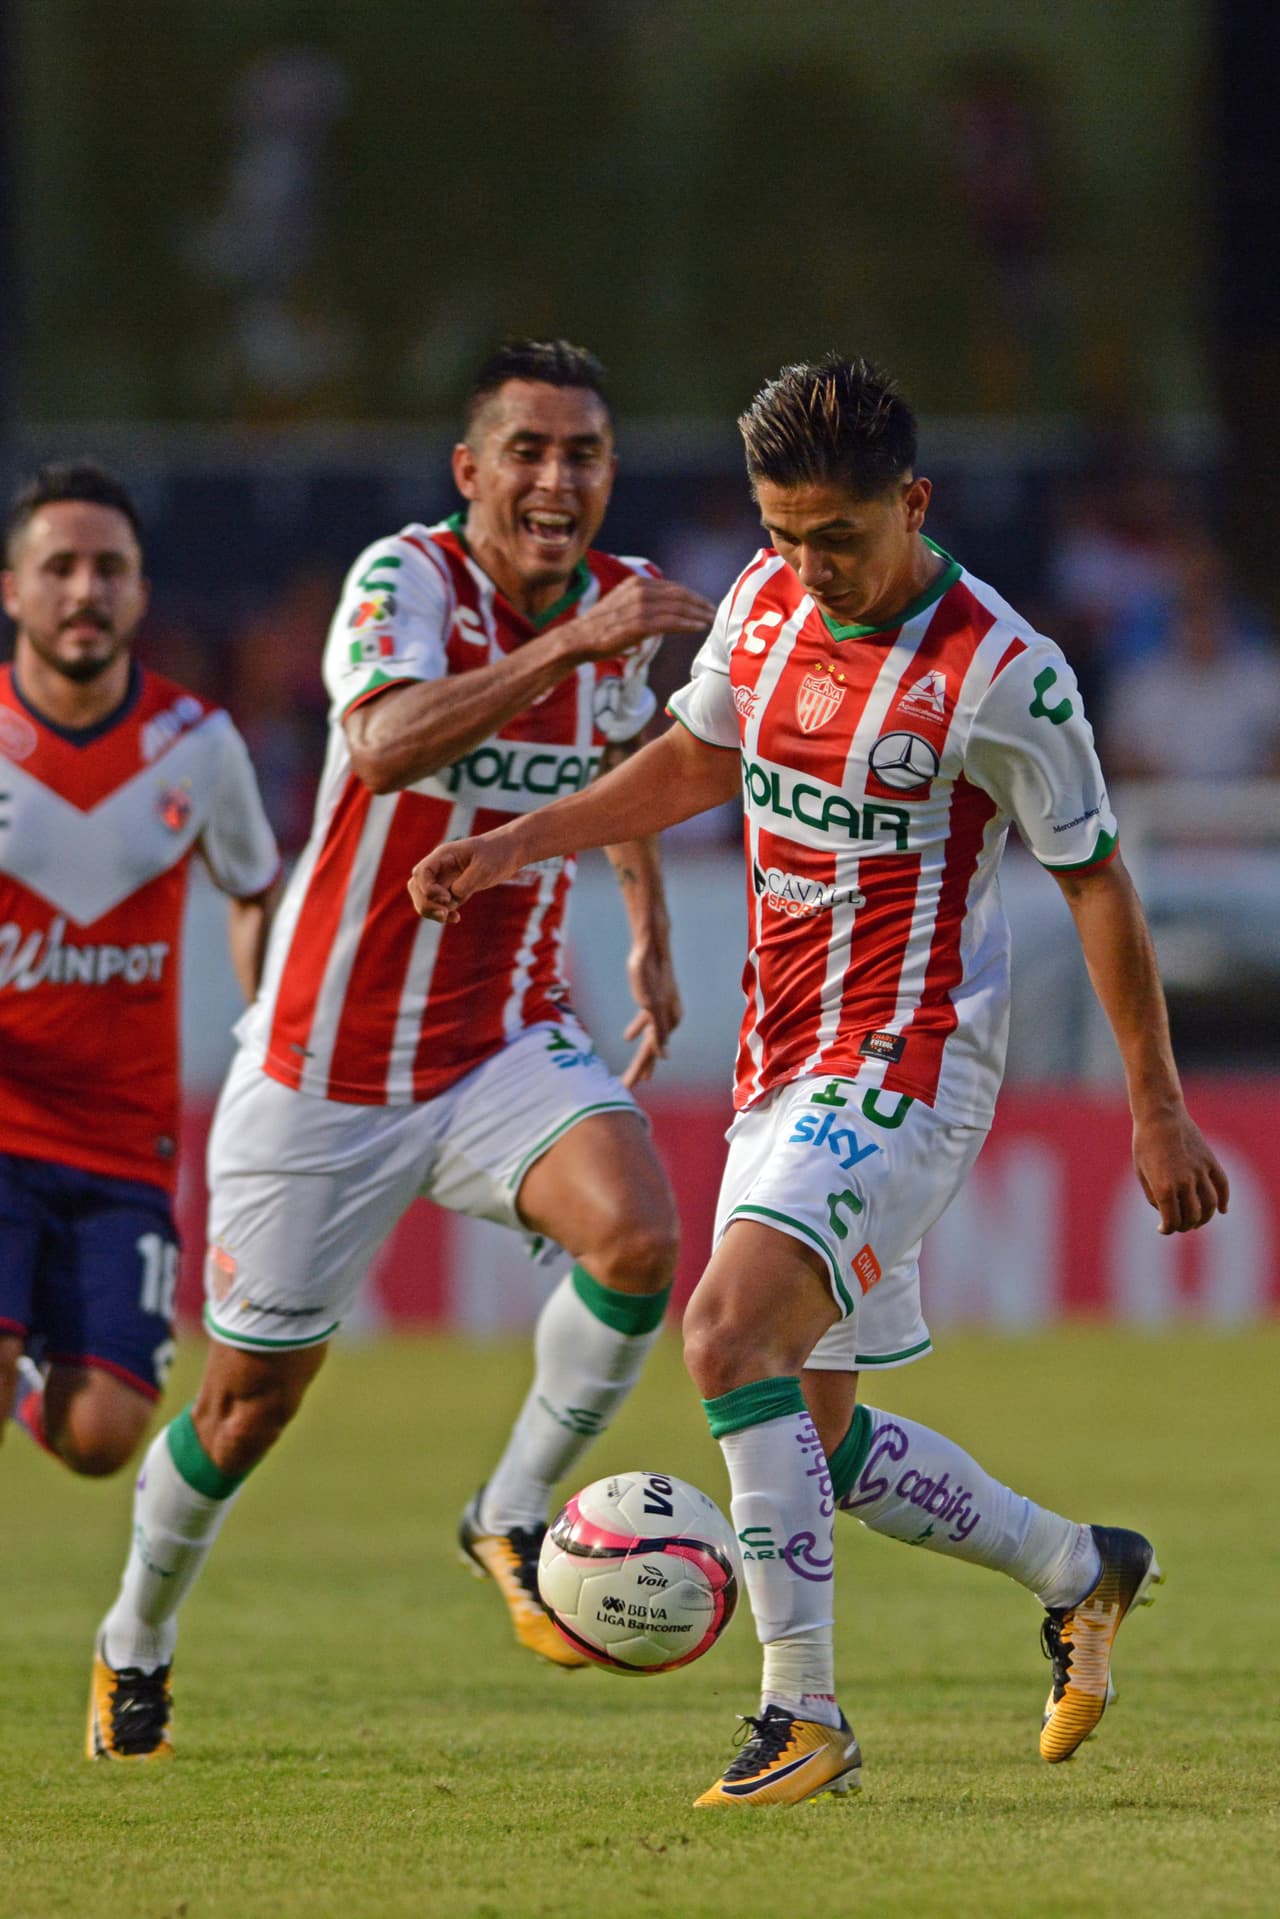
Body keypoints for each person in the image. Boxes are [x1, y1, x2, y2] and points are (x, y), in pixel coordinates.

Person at [409, 356, 1229, 1808]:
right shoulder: (766, 600)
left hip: (909, 1059)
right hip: (783, 1061)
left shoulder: (1005, 673)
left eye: (837, 537)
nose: (807, 565)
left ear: (914, 502)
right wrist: (516, 838)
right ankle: (1080, 1565)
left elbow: (1098, 883)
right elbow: (688, 760)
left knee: (725, 1337)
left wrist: (1153, 1103)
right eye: (781, 533)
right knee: (822, 1441)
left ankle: (805, 1714)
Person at [86, 339, 716, 1761]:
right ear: (472, 469)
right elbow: (377, 749)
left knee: (636, 1235)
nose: (559, 477)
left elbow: (621, 768)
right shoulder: (406, 582)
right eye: (531, 450)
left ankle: (506, 1510)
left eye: (586, 454)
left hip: (501, 1037)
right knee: (246, 1407)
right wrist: (564, 646)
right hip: (326, 1063)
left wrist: (645, 928)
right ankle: (136, 1633)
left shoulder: (621, 605)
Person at [0, 462, 278, 1478]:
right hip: (3, 1113)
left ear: (139, 592)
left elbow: (252, 889)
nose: (85, 590)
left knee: (102, 1435)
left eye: (108, 568)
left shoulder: (199, 743)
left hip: (124, 1135)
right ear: (14, 590)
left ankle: (39, 1346)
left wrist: (267, 1036)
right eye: (59, 567)